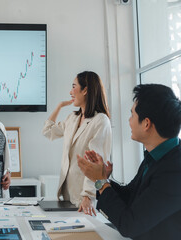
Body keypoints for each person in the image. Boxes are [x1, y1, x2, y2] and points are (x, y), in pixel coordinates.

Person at [77, 84, 181, 240]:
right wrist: (103, 178)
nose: (129, 120)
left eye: (132, 115)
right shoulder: (156, 156)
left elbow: (130, 225)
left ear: (146, 123)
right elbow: (131, 196)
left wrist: (100, 182)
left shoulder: (175, 170)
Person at [42, 71, 111, 216]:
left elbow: (96, 164)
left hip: (84, 198)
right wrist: (59, 106)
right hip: (67, 194)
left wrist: (88, 196)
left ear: (85, 90)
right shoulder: (72, 118)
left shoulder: (100, 121)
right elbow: (48, 131)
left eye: (74, 87)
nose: (70, 91)